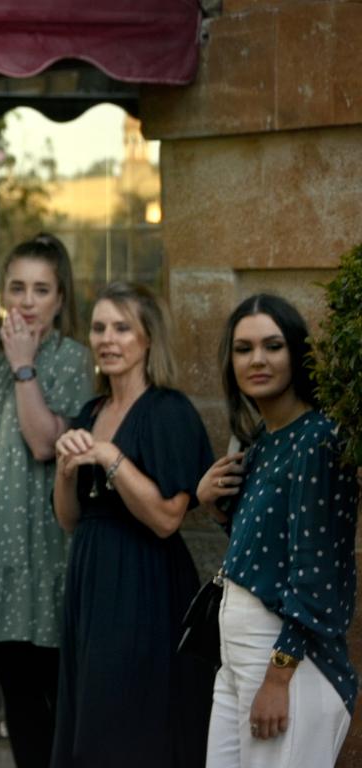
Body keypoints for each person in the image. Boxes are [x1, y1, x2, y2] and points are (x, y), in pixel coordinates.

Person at [51, 282, 215, 768]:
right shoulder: (91, 411)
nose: (107, 338)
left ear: (147, 338)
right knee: (90, 717)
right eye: (99, 327)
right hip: (91, 580)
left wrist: (112, 457)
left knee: (131, 722)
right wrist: (65, 471)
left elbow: (167, 519)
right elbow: (69, 519)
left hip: (144, 583)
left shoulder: (169, 412)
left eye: (122, 327)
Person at [0, 234, 92, 767]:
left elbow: (43, 442)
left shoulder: (73, 361)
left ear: (60, 298)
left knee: (51, 705)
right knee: (19, 705)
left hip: (47, 560)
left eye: (41, 289)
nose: (28, 300)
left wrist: (25, 366)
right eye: (18, 288)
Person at [196, 294, 357, 768]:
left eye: (273, 345)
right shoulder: (265, 443)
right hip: (239, 658)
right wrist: (213, 507)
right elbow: (268, 556)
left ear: (297, 353)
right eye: (243, 349)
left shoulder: (319, 440)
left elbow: (318, 574)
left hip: (287, 661)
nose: (258, 359)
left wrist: (278, 677)